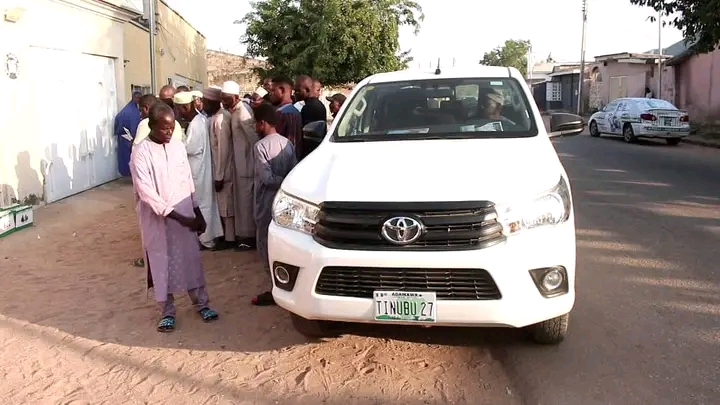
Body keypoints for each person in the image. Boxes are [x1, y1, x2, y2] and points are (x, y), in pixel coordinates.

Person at [129, 102, 219, 332]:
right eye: (164, 128)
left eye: (172, 128)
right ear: (151, 126)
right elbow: (145, 191)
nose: (169, 132)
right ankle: (167, 311)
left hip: (185, 214)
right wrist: (177, 216)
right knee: (161, 263)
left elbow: (187, 179)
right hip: (157, 220)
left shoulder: (178, 147)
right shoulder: (141, 152)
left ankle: (202, 304)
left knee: (191, 260)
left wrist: (196, 211)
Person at [251, 103, 297, 306]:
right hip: (285, 202)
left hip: (266, 201)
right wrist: (286, 182)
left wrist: (279, 180)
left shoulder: (260, 147)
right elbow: (295, 173)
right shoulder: (287, 144)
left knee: (265, 244)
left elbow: (267, 178)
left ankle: (274, 288)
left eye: (255, 123)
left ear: (262, 123)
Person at [174, 91, 224, 250]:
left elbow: (190, 148)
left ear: (184, 107)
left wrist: (178, 140)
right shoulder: (201, 119)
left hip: (198, 169)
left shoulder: (197, 124)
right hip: (201, 167)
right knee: (204, 203)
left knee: (202, 204)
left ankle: (205, 239)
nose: (177, 113)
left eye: (177, 109)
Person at [221, 80, 259, 250]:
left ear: (236, 97)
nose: (223, 101)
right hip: (238, 165)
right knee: (241, 203)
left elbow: (254, 140)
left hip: (246, 166)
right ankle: (243, 237)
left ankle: (249, 238)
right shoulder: (234, 111)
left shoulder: (243, 113)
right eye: (222, 98)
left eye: (227, 98)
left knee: (246, 203)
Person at [204, 87, 236, 250]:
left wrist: (219, 175)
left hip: (224, 168)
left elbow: (224, 149)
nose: (203, 105)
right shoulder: (216, 117)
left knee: (226, 205)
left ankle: (229, 239)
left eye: (205, 102)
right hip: (219, 167)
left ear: (212, 102)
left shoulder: (221, 119)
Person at [271, 76, 304, 159]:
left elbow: (292, 143)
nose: (270, 94)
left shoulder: (285, 113)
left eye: (273, 90)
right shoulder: (292, 111)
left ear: (282, 90)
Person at [113, 92, 142, 176]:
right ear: (135, 98)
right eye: (139, 98)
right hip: (128, 137)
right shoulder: (132, 111)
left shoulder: (128, 109)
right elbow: (133, 125)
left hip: (124, 136)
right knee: (129, 156)